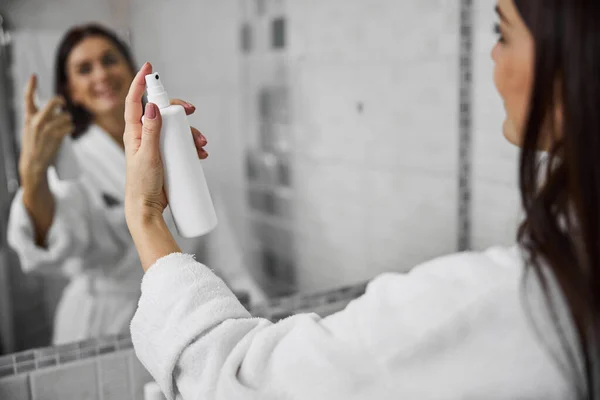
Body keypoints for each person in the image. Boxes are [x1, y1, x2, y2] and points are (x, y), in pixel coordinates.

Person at [125, 0, 600, 398]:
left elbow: (236, 381)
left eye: (503, 32)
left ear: (573, 60)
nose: (492, 54)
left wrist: (145, 214)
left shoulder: (515, 303)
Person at [7, 24, 266, 345]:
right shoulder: (70, 158)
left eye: (109, 60)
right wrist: (33, 174)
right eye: (84, 69)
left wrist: (253, 303)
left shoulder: (170, 139)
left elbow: (217, 240)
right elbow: (57, 239)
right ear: (71, 90)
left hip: (178, 310)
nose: (101, 74)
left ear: (131, 70)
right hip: (103, 324)